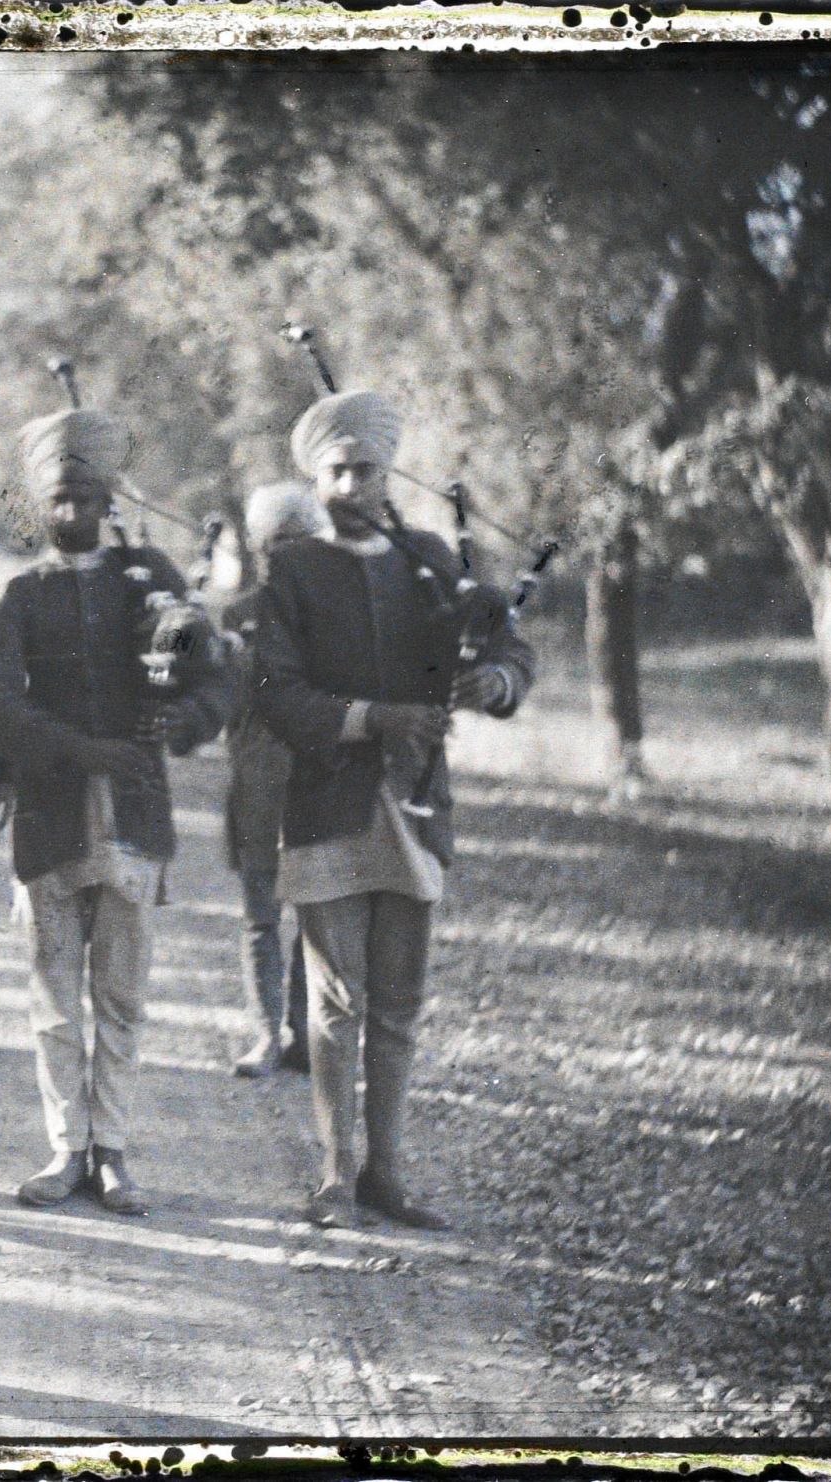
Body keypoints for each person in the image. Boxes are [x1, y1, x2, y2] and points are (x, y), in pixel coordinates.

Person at [252, 389, 535, 1232]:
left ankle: (388, 1174)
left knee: (399, 1004)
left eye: (364, 469)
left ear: (388, 472)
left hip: (415, 806)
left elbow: (506, 642)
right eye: (333, 471)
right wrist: (374, 718)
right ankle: (337, 1177)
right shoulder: (294, 570)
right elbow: (276, 694)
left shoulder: (431, 563)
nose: (349, 485)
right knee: (335, 1000)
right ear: (316, 475)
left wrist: (495, 682)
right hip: (328, 804)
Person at [0, 406, 233, 1216]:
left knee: (121, 992)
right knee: (54, 992)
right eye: (58, 500)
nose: (73, 515)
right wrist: (79, 749)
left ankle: (113, 1149)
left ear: (108, 503)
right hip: (49, 814)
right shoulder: (17, 596)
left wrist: (181, 713)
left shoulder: (148, 578)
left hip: (134, 812)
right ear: (37, 507)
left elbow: (213, 674)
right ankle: (65, 1149)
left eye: (88, 500)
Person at [223, 482, 320, 1078]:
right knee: (262, 916)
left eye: (297, 540)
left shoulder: (333, 617)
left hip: (316, 780)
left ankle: (305, 1034)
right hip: (258, 779)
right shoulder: (238, 618)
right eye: (274, 542)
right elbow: (224, 706)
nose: (283, 552)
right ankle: (265, 1033)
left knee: (314, 918)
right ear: (259, 548)